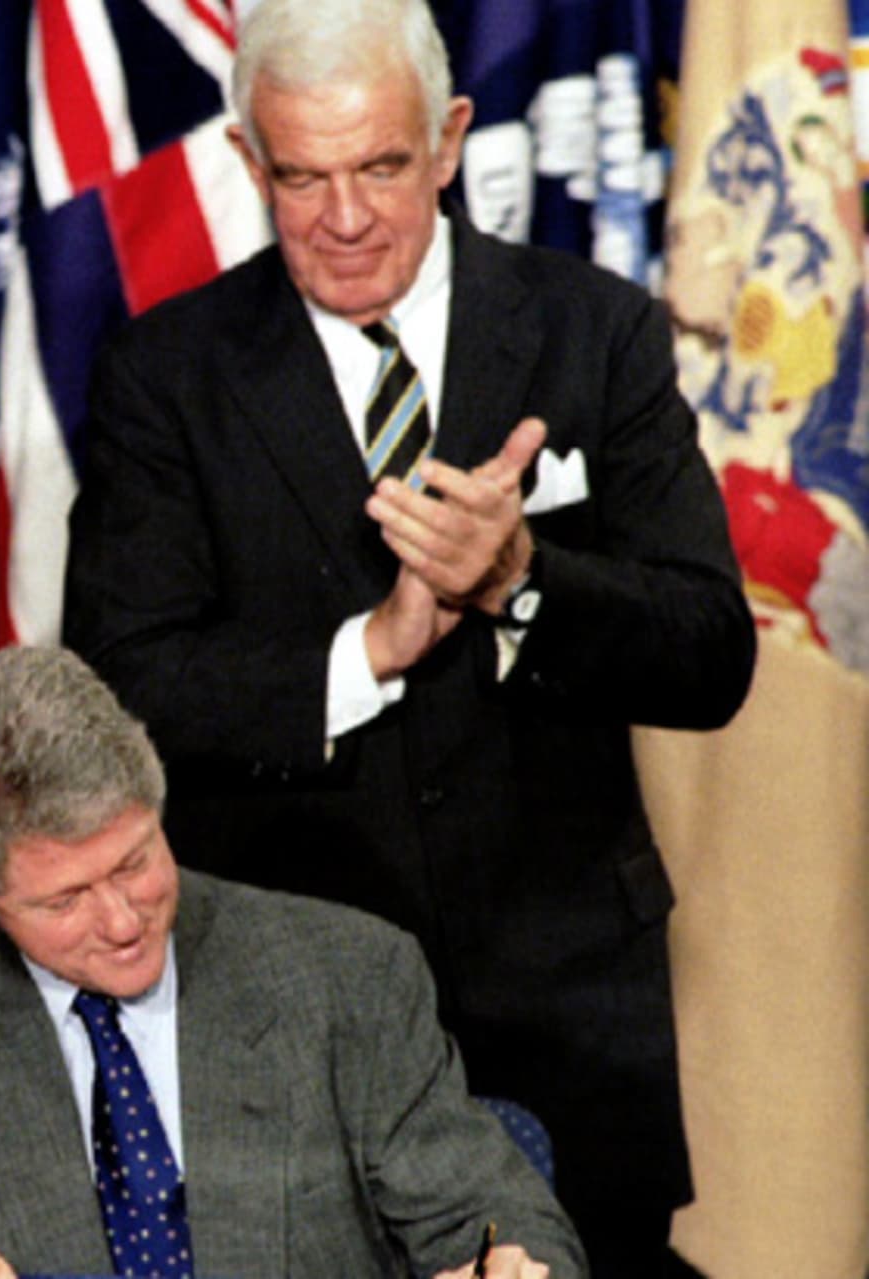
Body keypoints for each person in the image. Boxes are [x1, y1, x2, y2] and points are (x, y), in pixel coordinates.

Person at [60, 0, 755, 1271]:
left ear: (449, 139)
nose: (345, 217)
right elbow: (126, 690)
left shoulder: (592, 328)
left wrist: (522, 580)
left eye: (382, 165)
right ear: (247, 160)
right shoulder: (165, 375)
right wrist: (365, 654)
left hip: (569, 1016)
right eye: (302, 176)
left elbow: (711, 652)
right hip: (288, 1028)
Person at [0, 646, 585, 1279]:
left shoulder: (346, 973)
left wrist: (506, 1265)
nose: (121, 920)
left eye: (135, 862)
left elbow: (505, 1219)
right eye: (64, 899)